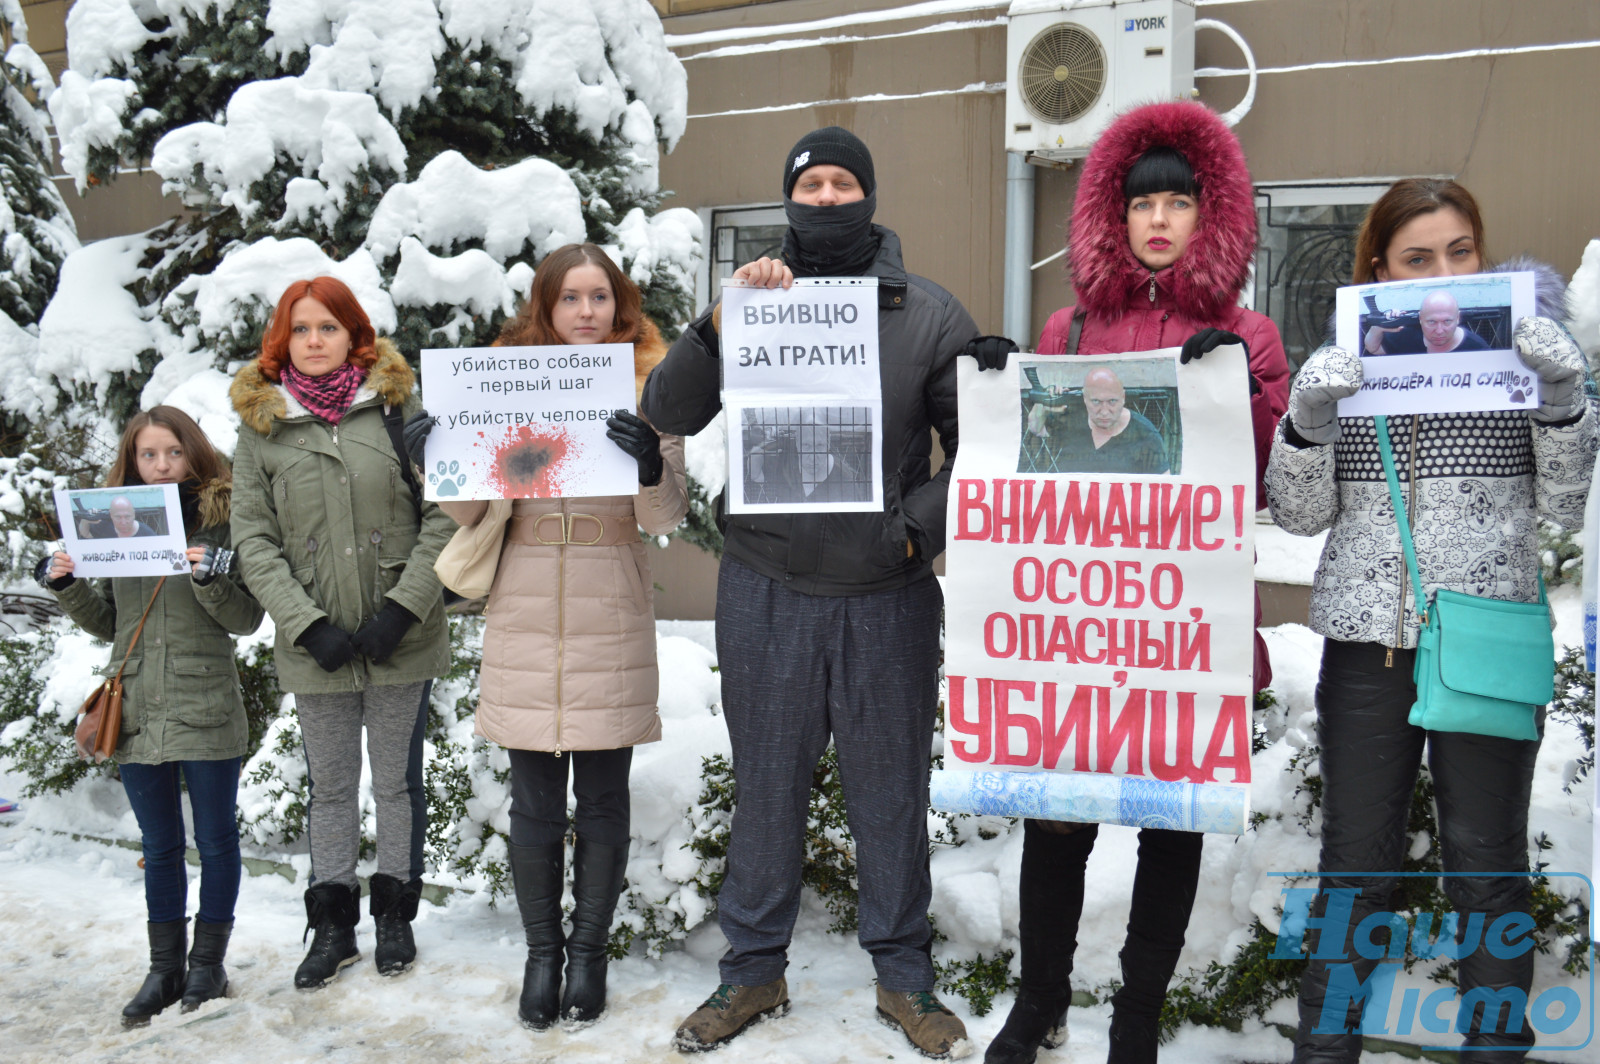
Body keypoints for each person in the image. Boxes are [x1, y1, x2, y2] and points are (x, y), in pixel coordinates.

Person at [642, 126, 980, 1058]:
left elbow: (977, 450)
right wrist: (716, 325)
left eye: (843, 183)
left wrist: (914, 526)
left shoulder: (929, 312)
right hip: (769, 585)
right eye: (811, 184)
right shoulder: (751, 305)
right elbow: (668, 411)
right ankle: (752, 972)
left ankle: (903, 975)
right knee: (768, 788)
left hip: (887, 591)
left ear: (867, 196)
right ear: (789, 198)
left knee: (890, 791)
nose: (826, 198)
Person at [977, 100, 1291, 1064]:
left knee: (1171, 831)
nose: (1159, 219)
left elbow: (1275, 480)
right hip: (1079, 625)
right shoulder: (1069, 331)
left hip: (1184, 630)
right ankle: (1039, 1003)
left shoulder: (1252, 332)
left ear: (1213, 215)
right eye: (1141, 203)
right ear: (1114, 220)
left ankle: (1137, 1016)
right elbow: (1032, 470)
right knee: (1056, 824)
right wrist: (1000, 385)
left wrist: (1238, 388)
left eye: (1179, 203)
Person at [1266, 178, 1596, 1061]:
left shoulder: (1519, 363)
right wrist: (1307, 421)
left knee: (1488, 870)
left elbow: (1566, 508)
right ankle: (1323, 1052)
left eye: (1460, 253)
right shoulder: (1353, 367)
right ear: (1381, 270)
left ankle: (1496, 1048)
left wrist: (1564, 397)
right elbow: (1296, 518)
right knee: (1354, 873)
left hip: (1485, 636)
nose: (1443, 274)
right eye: (1417, 259)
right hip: (1370, 644)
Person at [403, 243, 689, 1030]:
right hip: (524, 600)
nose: (587, 312)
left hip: (610, 605)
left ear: (620, 304)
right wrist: (430, 461)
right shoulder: (504, 387)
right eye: (570, 299)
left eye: (600, 296)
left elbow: (666, 520)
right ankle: (542, 954)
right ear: (547, 308)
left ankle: (588, 953)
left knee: (601, 800)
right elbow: (472, 511)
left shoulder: (649, 391)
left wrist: (651, 468)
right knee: (534, 804)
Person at [229, 276, 454, 990]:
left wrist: (404, 610)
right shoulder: (262, 430)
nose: (315, 341)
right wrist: (305, 623)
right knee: (330, 789)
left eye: (328, 327)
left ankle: (394, 916)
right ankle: (333, 927)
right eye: (301, 329)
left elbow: (443, 515)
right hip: (316, 649)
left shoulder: (398, 411)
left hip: (400, 637)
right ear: (282, 340)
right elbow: (254, 542)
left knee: (395, 784)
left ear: (354, 333)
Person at [36, 406, 263, 1026]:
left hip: (205, 700)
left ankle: (207, 966)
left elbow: (247, 621)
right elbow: (113, 624)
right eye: (148, 455)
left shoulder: (224, 523)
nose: (161, 465)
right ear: (131, 461)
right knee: (160, 846)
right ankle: (164, 969)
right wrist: (66, 584)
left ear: (193, 453)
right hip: (134, 707)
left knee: (215, 841)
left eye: (173, 452)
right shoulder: (113, 525)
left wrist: (211, 577)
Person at [1365, 289, 1491, 355]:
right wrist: (1380, 326)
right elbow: (1373, 348)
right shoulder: (1409, 336)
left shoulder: (1477, 347)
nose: (1440, 330)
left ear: (1458, 318)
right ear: (1420, 319)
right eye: (1431, 322)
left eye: (1447, 321)